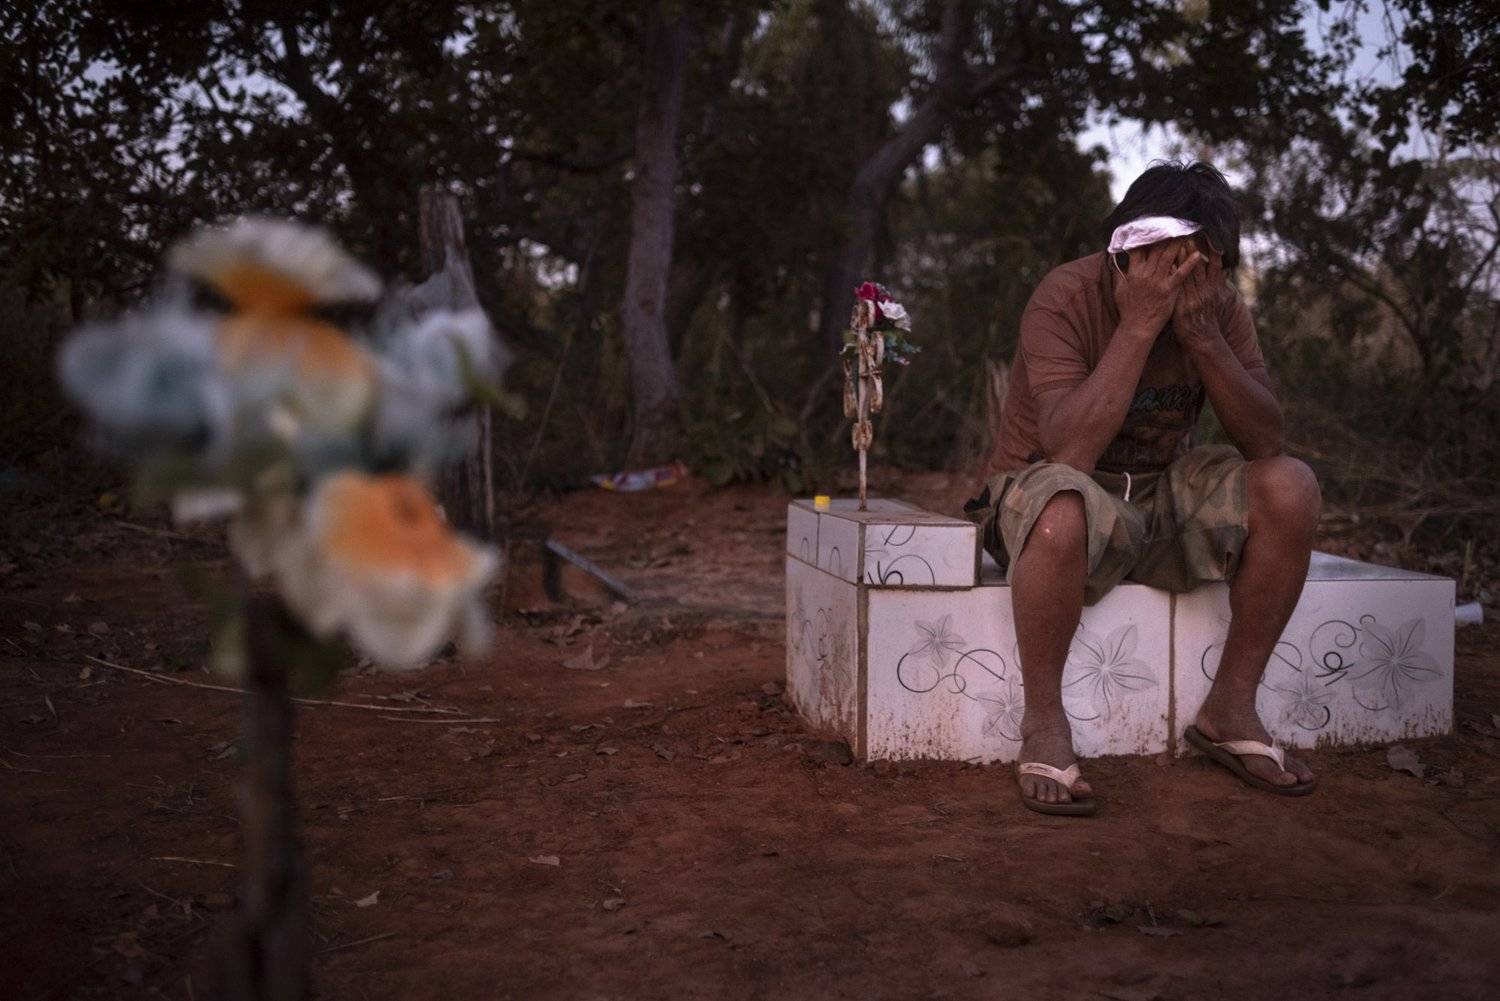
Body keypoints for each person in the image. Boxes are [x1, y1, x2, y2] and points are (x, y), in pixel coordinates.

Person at [965, 160, 1321, 816]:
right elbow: (1069, 454)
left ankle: (1230, 708)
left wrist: (1203, 337)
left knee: (1291, 485)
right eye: (1167, 257)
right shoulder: (1067, 294)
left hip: (1156, 497)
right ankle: (1044, 723)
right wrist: (1138, 325)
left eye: (1202, 262)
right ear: (1129, 247)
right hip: (1044, 497)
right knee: (1062, 505)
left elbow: (1266, 442)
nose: (1183, 275)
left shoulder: (1217, 306)